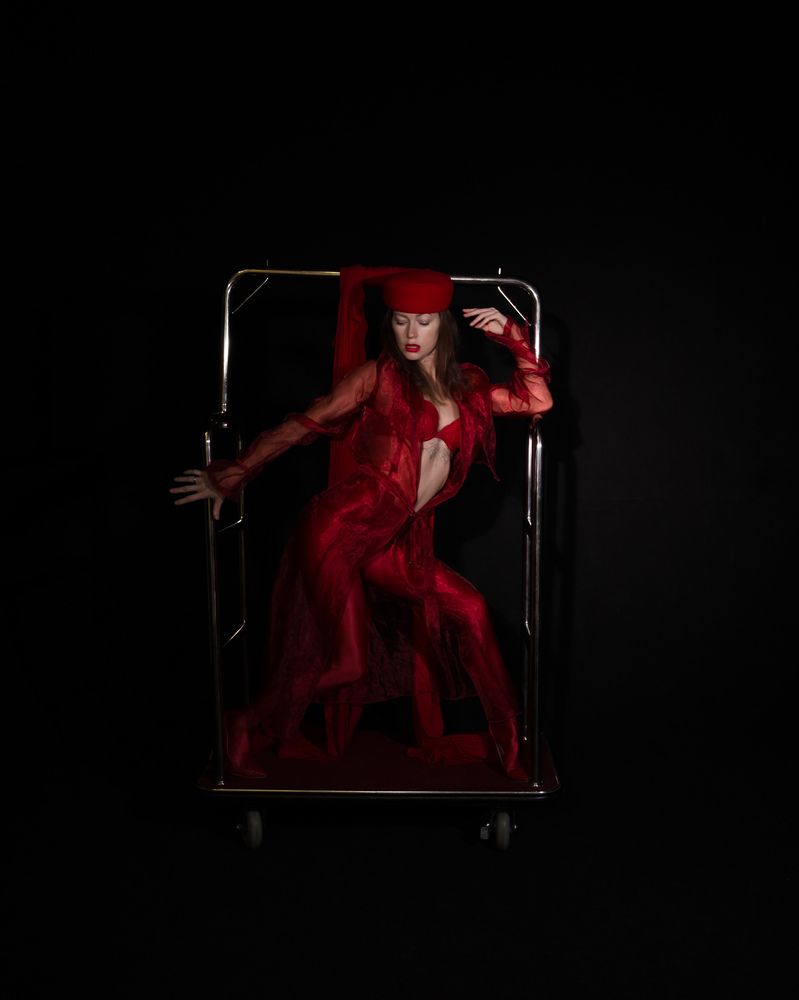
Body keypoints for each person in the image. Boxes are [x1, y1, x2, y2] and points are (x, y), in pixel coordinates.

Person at [171, 266, 553, 781]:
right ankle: (244, 723)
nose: (411, 333)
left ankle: (510, 744)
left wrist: (511, 336)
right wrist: (235, 472)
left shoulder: (468, 390)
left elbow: (536, 401)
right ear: (388, 324)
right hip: (339, 529)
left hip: (392, 541)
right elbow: (303, 425)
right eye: (400, 320)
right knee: (348, 664)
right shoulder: (378, 377)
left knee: (471, 609)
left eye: (423, 321)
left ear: (443, 325)